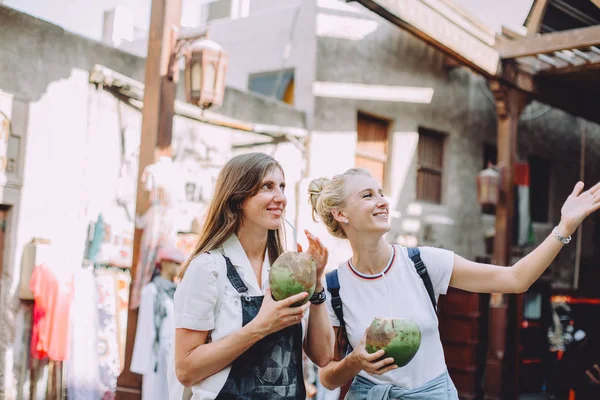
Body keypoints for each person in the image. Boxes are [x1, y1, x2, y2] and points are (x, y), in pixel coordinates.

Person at [308, 168, 600, 400]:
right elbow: (327, 375)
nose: (383, 201)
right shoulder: (334, 286)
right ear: (341, 214)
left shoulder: (423, 263)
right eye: (368, 195)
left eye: (381, 193)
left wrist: (565, 227)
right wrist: (355, 361)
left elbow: (515, 279)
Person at [170, 152, 334, 400]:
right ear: (237, 199)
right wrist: (260, 327)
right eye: (267, 187)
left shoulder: (286, 269)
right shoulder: (208, 268)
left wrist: (317, 281)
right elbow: (185, 370)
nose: (280, 197)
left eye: (282, 186)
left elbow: (323, 356)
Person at [131, 245, 185, 400]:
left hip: (174, 351)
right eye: (175, 263)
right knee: (154, 392)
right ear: (164, 263)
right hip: (156, 352)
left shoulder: (177, 291)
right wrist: (143, 363)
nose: (178, 267)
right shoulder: (151, 291)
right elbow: (146, 328)